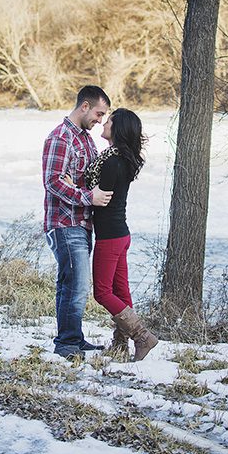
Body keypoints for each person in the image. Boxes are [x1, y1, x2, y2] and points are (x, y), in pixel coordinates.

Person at [42, 86, 113, 360]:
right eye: (98, 113)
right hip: (64, 222)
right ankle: (67, 345)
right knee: (77, 284)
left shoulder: (85, 139)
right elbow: (54, 181)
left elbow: (87, 177)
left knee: (70, 283)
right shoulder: (61, 138)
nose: (99, 119)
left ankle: (72, 339)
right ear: (84, 106)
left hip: (82, 222)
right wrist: (86, 196)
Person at [86, 108, 159, 362]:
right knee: (121, 291)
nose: (103, 124)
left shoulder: (112, 162)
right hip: (120, 234)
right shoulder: (120, 159)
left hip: (110, 237)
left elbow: (99, 197)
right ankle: (120, 344)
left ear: (117, 130)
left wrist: (76, 187)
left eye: (108, 121)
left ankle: (142, 337)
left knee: (102, 293)